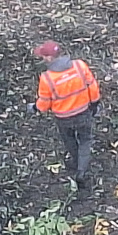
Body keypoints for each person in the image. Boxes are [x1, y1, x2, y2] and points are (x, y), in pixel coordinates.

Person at [27, 41, 101, 188]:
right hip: (83, 113)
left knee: (69, 140)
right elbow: (92, 86)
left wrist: (34, 108)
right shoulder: (80, 66)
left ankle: (75, 162)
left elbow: (44, 103)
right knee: (85, 139)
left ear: (49, 58)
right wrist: (94, 104)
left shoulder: (47, 78)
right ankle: (82, 170)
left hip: (64, 118)